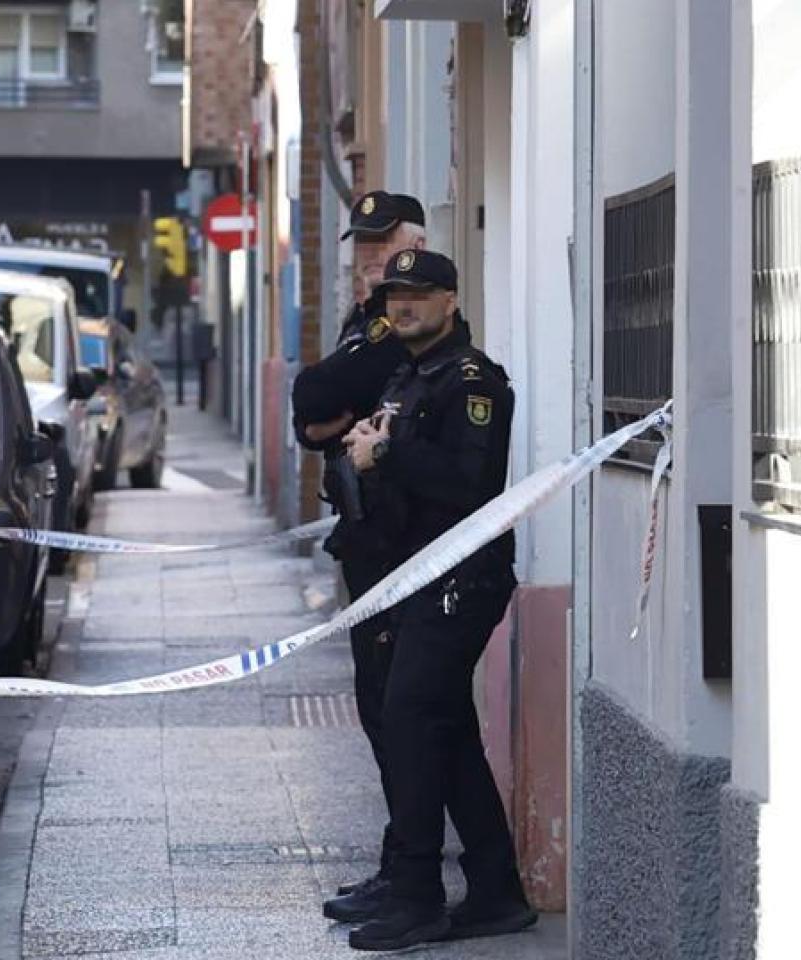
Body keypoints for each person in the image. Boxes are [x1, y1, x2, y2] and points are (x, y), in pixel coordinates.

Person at [340, 250, 537, 951]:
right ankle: (495, 893)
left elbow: (471, 487)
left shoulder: (473, 382)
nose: (404, 305)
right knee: (445, 729)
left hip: (459, 578)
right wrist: (361, 454)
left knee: (411, 717)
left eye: (419, 294)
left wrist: (386, 456)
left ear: (450, 300)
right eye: (396, 294)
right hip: (409, 575)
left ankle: (418, 896)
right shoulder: (407, 375)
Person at [290, 190, 426, 920]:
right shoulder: (365, 321)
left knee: (398, 710)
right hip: (365, 533)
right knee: (385, 708)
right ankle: (404, 864)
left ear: (415, 245)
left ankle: (413, 872)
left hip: (394, 541)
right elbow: (311, 413)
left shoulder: (393, 324)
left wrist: (324, 410)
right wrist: (322, 421)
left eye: (382, 245)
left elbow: (317, 388)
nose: (367, 259)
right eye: (362, 246)